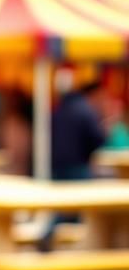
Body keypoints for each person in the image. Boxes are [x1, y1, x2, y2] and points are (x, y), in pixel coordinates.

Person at [37, 80, 109, 251]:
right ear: (94, 94)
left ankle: (54, 238)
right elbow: (98, 140)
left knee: (64, 206)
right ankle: (74, 244)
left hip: (58, 165)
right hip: (77, 165)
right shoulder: (86, 111)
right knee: (79, 207)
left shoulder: (61, 108)